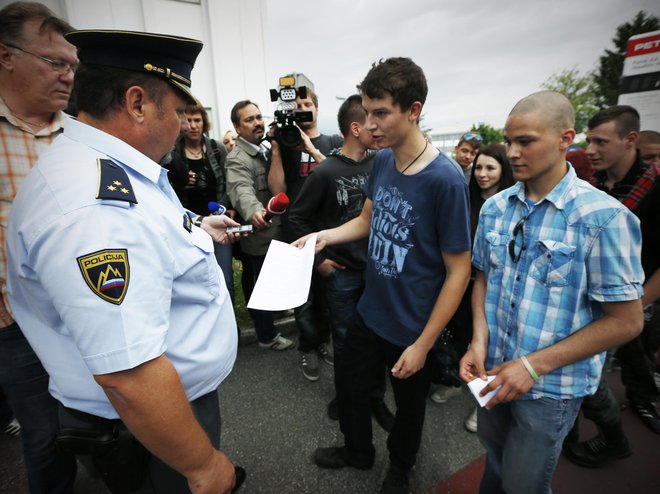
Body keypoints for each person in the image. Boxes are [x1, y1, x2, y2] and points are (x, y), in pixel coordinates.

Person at [6, 29, 245, 494]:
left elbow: (149, 241)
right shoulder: (94, 208)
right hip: (150, 423)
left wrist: (196, 229)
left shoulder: (115, 168)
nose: (183, 125)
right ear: (137, 103)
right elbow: (130, 375)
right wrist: (203, 466)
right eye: (179, 112)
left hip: (161, 410)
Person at [296, 57, 472, 494]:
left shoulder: (445, 180)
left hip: (413, 325)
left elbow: (459, 271)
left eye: (381, 113)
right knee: (352, 389)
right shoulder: (383, 162)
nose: (370, 124)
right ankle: (358, 452)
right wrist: (325, 235)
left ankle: (400, 466)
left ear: (413, 110)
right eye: (367, 112)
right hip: (368, 310)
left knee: (409, 409)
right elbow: (367, 220)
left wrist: (424, 342)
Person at [459, 91, 644, 494]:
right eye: (509, 142)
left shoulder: (604, 218)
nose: (512, 152)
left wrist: (533, 366)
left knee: (524, 483)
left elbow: (626, 321)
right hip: (493, 369)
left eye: (525, 141)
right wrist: (478, 340)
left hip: (550, 391)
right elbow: (483, 278)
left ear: (565, 139)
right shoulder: (495, 208)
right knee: (495, 461)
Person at [0, 3, 78, 492]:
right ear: (6, 57)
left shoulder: (83, 137)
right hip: (16, 324)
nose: (69, 76)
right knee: (45, 436)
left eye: (73, 65)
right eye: (55, 62)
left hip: (86, 312)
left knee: (100, 421)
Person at [288, 94, 394, 430]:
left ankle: (375, 398)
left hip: (375, 272)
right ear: (355, 127)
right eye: (371, 121)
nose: (377, 128)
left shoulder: (380, 164)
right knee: (346, 344)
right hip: (341, 275)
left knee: (376, 339)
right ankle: (347, 399)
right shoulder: (325, 172)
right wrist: (320, 264)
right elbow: (298, 219)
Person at [562, 105, 660, 467]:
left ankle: (616, 439)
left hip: (627, 304)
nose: (591, 150)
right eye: (590, 141)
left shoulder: (656, 188)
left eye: (601, 142)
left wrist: (633, 306)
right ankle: (569, 433)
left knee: (589, 378)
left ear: (630, 139)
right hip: (591, 299)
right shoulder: (598, 185)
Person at [430, 144, 515, 434]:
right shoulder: (464, 200)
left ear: (504, 170)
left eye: (490, 167)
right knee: (459, 336)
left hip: (493, 288)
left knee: (489, 345)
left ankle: (484, 401)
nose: (482, 173)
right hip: (459, 285)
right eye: (478, 167)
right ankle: (456, 382)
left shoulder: (511, 205)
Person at [269, 83, 342, 378]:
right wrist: (276, 147)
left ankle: (321, 342)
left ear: (317, 107)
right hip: (295, 231)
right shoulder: (285, 144)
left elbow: (341, 182)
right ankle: (307, 348)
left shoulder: (333, 142)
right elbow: (276, 190)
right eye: (296, 107)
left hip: (329, 232)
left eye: (306, 105)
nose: (302, 111)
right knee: (302, 297)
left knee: (327, 295)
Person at [225, 100, 294, 350]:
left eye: (258, 117)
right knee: (260, 287)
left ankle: (272, 319)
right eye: (249, 120)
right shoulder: (237, 158)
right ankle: (267, 336)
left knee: (271, 283)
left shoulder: (264, 147)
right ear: (236, 126)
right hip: (260, 235)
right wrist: (254, 211)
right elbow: (240, 188)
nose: (257, 123)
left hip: (277, 233)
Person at [170, 103, 235, 302]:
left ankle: (231, 327)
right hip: (187, 225)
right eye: (188, 120)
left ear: (203, 122)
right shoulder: (174, 153)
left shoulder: (217, 148)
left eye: (197, 120)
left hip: (217, 220)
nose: (192, 125)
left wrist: (226, 208)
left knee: (225, 278)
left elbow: (227, 182)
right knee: (195, 280)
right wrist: (182, 182)